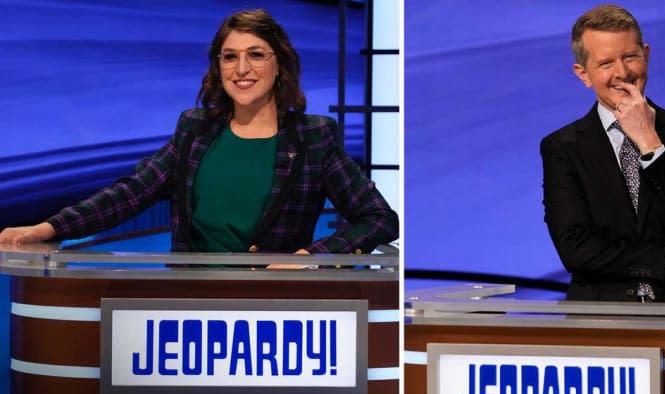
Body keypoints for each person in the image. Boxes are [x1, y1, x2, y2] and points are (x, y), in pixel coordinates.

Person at [0, 9, 398, 260]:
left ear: (281, 66)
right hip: (189, 302)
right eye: (230, 57)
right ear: (218, 67)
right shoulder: (195, 131)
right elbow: (129, 193)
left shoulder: (313, 139)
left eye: (256, 54)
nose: (241, 68)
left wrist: (312, 256)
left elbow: (379, 218)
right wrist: (46, 229)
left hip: (274, 309)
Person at [541, 4, 665, 302]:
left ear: (647, 55)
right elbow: (575, 249)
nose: (623, 73)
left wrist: (649, 142)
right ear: (583, 74)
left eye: (630, 56)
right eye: (605, 64)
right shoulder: (563, 148)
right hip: (603, 316)